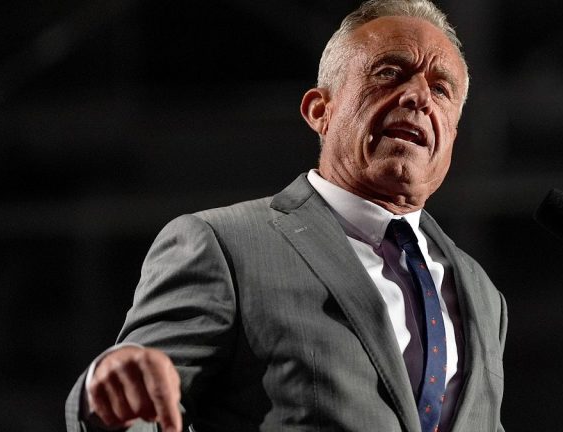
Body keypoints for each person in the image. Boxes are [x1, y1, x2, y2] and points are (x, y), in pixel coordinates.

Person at [65, 1, 507, 431]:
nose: (418, 96)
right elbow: (141, 407)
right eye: (389, 73)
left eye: (441, 89)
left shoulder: (482, 292)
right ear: (320, 110)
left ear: (452, 136)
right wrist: (109, 396)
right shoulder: (222, 245)